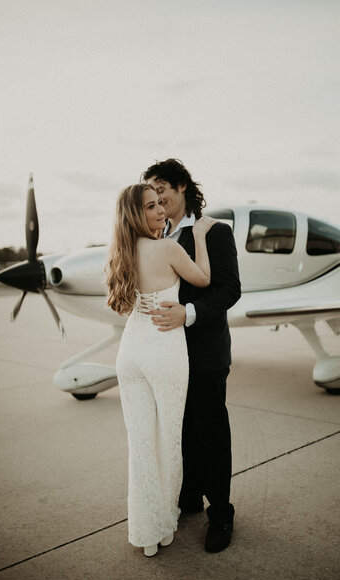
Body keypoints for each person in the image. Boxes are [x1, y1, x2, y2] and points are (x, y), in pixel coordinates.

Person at [106, 183, 215, 557]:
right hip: (164, 352)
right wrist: (198, 236)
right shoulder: (168, 247)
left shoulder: (120, 253)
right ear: (138, 214)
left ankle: (144, 531)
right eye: (152, 206)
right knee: (168, 443)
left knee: (140, 447)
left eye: (159, 205)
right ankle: (164, 523)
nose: (160, 211)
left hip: (129, 355)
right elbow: (203, 278)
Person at [141, 159, 241, 553]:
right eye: (151, 188)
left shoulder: (214, 232)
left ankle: (221, 513)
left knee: (211, 432)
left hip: (205, 352)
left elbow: (229, 290)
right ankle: (189, 498)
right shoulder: (153, 234)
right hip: (166, 353)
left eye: (162, 186)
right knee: (179, 430)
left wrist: (190, 313)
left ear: (183, 187)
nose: (157, 195)